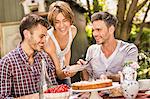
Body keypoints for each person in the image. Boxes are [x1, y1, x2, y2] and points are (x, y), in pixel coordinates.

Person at [0, 14, 58, 98]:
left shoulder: (45, 58)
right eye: (41, 36)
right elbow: (3, 97)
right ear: (26, 34)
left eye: (45, 37)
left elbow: (54, 89)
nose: (44, 41)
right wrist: (35, 97)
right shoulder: (6, 63)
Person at [78, 12, 138, 81]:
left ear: (111, 29)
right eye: (93, 30)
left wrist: (109, 77)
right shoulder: (91, 50)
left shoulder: (129, 49)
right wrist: (83, 68)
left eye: (98, 30)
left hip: (121, 91)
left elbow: (129, 76)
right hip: (98, 92)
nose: (94, 34)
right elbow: (87, 81)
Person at [44, 1, 78, 85]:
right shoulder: (49, 40)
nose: (62, 25)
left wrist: (67, 68)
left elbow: (67, 50)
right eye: (57, 22)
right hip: (48, 77)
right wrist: (71, 71)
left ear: (70, 20)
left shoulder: (73, 31)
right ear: (53, 23)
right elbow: (59, 74)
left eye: (65, 20)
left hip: (62, 72)